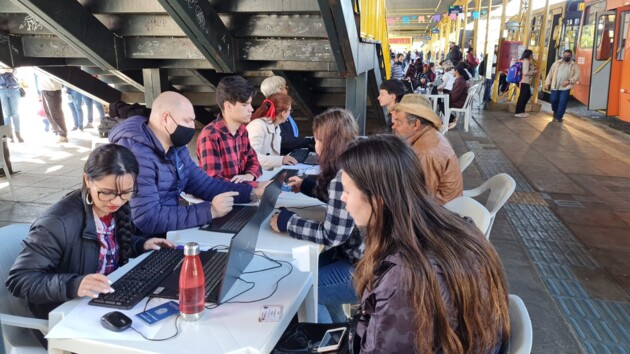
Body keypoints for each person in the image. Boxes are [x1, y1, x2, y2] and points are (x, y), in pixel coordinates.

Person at [338, 134, 510, 353]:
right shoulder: (459, 227)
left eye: (347, 191)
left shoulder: (403, 279)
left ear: (378, 200)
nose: (342, 198)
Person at [6, 144, 175, 324]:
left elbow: (105, 244)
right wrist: (73, 285)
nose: (117, 201)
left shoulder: (112, 207)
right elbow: (20, 280)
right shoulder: (57, 223)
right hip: (64, 315)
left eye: (126, 193)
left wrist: (140, 244)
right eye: (107, 192)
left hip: (101, 303)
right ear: (87, 180)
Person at [108, 91, 266, 236]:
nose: (192, 126)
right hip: (143, 241)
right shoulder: (135, 154)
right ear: (165, 118)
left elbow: (204, 185)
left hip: (170, 231)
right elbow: (146, 218)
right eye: (187, 121)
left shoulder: (175, 146)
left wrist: (253, 191)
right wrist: (210, 211)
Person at [269, 108, 362, 323]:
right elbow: (339, 202)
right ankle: (339, 331)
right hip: (360, 256)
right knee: (307, 270)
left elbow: (332, 236)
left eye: (318, 140)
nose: (314, 144)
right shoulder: (355, 159)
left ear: (331, 143)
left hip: (363, 267)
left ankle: (320, 341)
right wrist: (307, 186)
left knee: (304, 288)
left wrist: (287, 222)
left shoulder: (344, 175)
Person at [391, 94, 463, 204]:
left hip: (441, 213)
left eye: (399, 122)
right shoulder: (430, 133)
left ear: (416, 124)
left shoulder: (425, 153)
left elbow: (420, 200)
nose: (393, 126)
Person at [196, 76, 263, 184]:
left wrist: (249, 175)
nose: (251, 109)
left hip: (242, 195)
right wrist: (253, 188)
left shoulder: (242, 130)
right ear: (228, 106)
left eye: (250, 104)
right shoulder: (210, 135)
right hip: (222, 199)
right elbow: (213, 181)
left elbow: (254, 162)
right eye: (245, 104)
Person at [259, 76, 313, 155]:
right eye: (286, 88)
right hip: (280, 158)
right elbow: (282, 139)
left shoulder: (270, 108)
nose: (287, 90)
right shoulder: (273, 111)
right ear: (281, 91)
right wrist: (309, 141)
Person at [247, 93, 298, 170]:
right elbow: (252, 157)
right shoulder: (258, 126)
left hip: (267, 174)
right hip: (255, 175)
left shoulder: (276, 126)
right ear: (283, 113)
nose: (289, 113)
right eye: (290, 110)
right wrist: (282, 159)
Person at [544, 49, 580, 122]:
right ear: (563, 55)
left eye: (568, 56)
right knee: (553, 100)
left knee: (563, 102)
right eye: (565, 55)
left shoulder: (574, 65)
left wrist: (569, 81)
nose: (566, 57)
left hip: (566, 88)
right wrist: (547, 83)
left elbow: (577, 75)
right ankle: (555, 110)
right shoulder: (556, 63)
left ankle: (559, 117)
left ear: (571, 56)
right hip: (555, 86)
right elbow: (550, 73)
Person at [38, 74, 68, 143]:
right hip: (46, 88)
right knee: (49, 112)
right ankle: (58, 133)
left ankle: (63, 135)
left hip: (52, 89)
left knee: (56, 113)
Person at [0, 69, 23, 143]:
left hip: (14, 89)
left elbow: (14, 70)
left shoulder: (9, 59)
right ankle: (10, 135)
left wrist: (4, 70)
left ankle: (18, 134)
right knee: (6, 114)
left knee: (15, 113)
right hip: (1, 90)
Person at [515, 49, 537, 118]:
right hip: (524, 81)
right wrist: (533, 72)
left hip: (521, 81)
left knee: (527, 95)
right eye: (531, 54)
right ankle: (518, 112)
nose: (532, 56)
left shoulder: (521, 60)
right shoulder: (526, 61)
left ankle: (522, 110)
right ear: (529, 55)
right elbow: (525, 72)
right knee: (523, 96)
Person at [448, 64, 471, 129]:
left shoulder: (460, 81)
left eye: (453, 71)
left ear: (456, 71)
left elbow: (454, 97)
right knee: (442, 101)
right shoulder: (460, 80)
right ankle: (451, 118)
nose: (452, 72)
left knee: (442, 103)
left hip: (459, 103)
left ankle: (451, 120)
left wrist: (447, 98)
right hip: (460, 101)